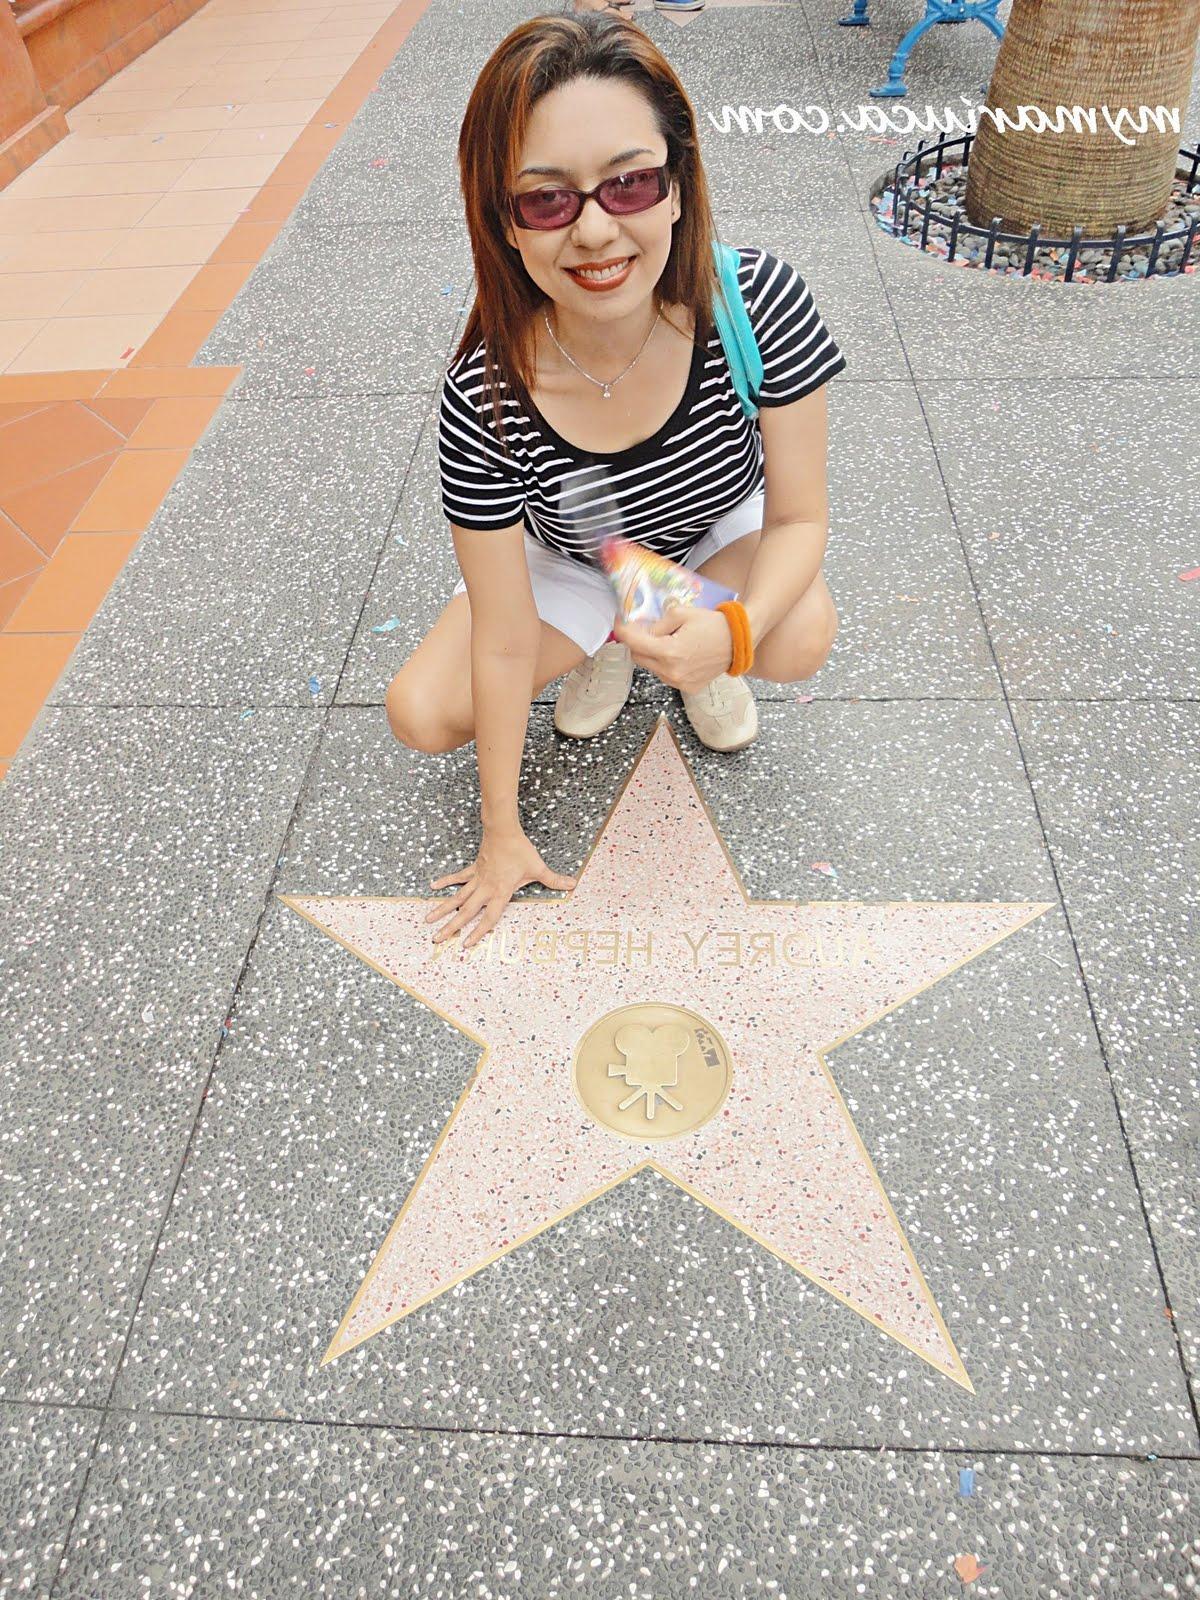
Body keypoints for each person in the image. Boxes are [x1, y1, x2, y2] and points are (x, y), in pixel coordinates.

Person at [386, 9, 847, 952]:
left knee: (798, 637)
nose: (596, 231)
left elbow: (799, 516)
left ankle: (679, 643)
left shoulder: (757, 300)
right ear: (502, 222)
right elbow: (506, 639)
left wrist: (734, 632)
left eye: (630, 183)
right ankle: (617, 637)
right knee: (423, 713)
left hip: (712, 535)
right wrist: (502, 834)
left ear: (678, 186)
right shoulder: (484, 391)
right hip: (576, 556)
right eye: (547, 200)